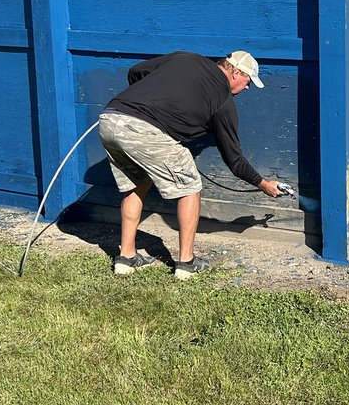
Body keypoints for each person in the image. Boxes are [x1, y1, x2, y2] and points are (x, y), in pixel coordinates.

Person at [98, 49, 283, 278]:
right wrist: (262, 183)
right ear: (235, 72)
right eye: (248, 82)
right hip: (145, 131)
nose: (247, 88)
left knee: (137, 183)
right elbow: (234, 159)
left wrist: (148, 100)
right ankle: (186, 263)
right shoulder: (223, 101)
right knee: (190, 189)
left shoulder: (186, 58)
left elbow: (136, 72)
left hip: (111, 118)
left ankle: (126, 258)